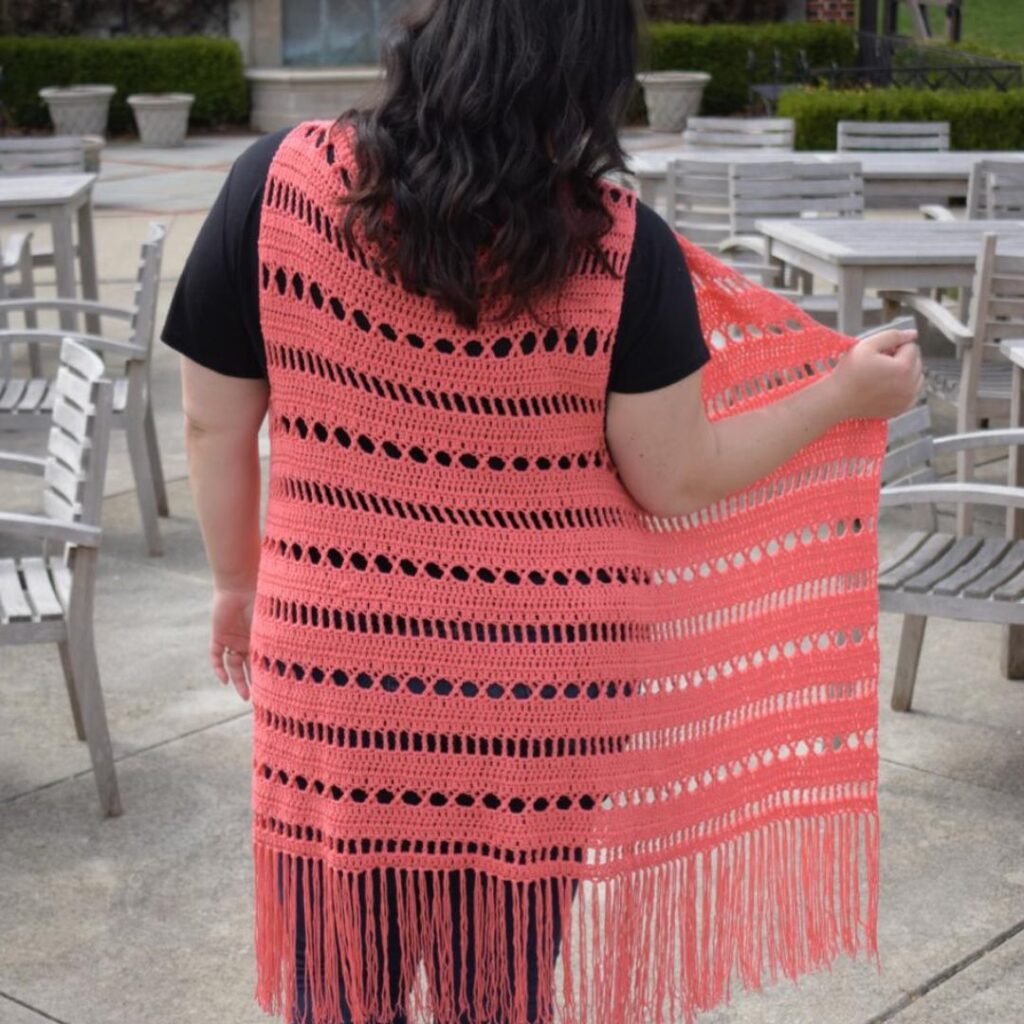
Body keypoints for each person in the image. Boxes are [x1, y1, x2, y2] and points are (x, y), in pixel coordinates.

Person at [160, 2, 922, 1023]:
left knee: (340, 986)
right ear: (587, 77)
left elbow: (214, 419)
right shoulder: (618, 249)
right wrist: (842, 394)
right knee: (498, 989)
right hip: (539, 695)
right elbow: (676, 474)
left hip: (344, 674)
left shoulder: (277, 186)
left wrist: (234, 581)